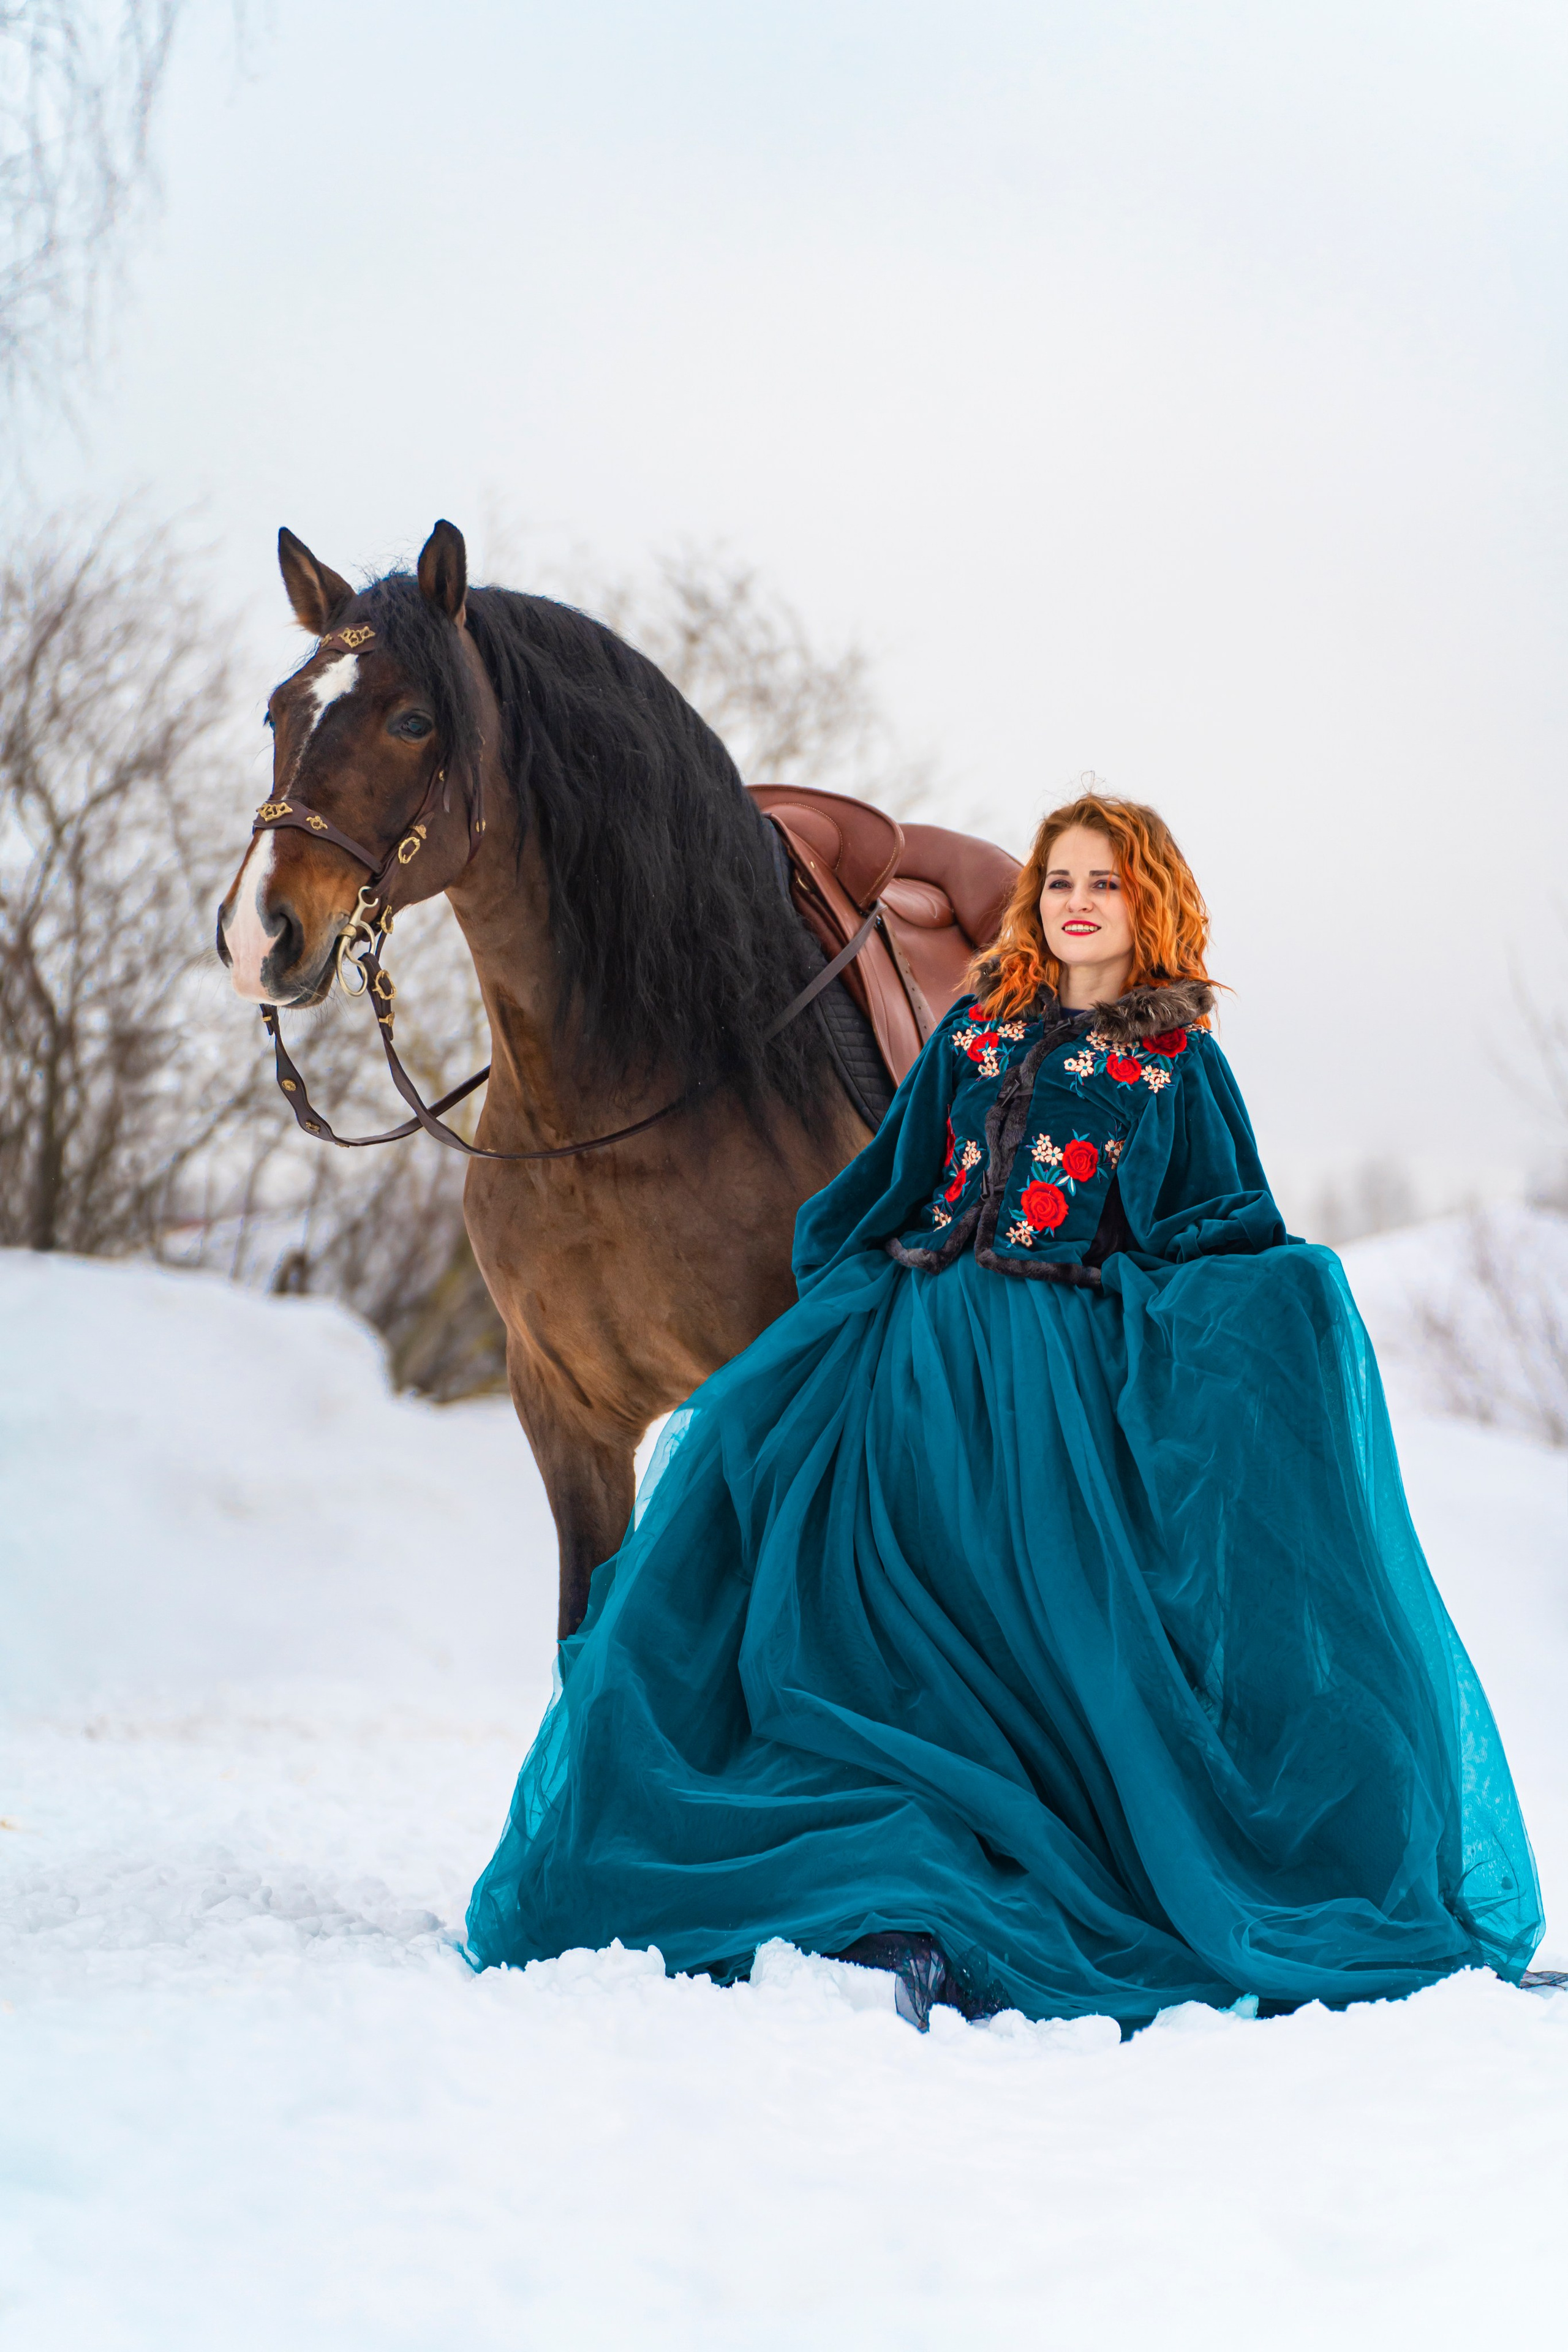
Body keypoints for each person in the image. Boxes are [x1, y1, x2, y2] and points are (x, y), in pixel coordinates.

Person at [466, 791, 1542, 2029]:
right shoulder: (975, 1029)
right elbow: (885, 1182)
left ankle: (985, 1891)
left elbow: (1213, 1229)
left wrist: (1271, 1300)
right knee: (818, 1614)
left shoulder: (1174, 1058)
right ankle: (861, 1891)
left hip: (1053, 1393)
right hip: (908, 1356)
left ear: (1149, 904)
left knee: (1021, 1652)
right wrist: (849, 1292)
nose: (1076, 904)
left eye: (1104, 884)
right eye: (1059, 882)